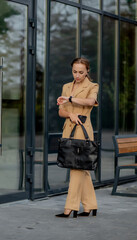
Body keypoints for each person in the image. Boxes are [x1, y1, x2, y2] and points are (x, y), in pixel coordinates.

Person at [55, 57, 99, 218]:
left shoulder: (92, 86)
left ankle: (70, 207)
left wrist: (71, 99)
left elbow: (91, 101)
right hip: (68, 129)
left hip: (82, 130)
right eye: (75, 71)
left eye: (81, 72)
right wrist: (70, 114)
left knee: (76, 168)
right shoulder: (66, 86)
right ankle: (90, 206)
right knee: (81, 168)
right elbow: (61, 111)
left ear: (87, 71)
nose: (77, 75)